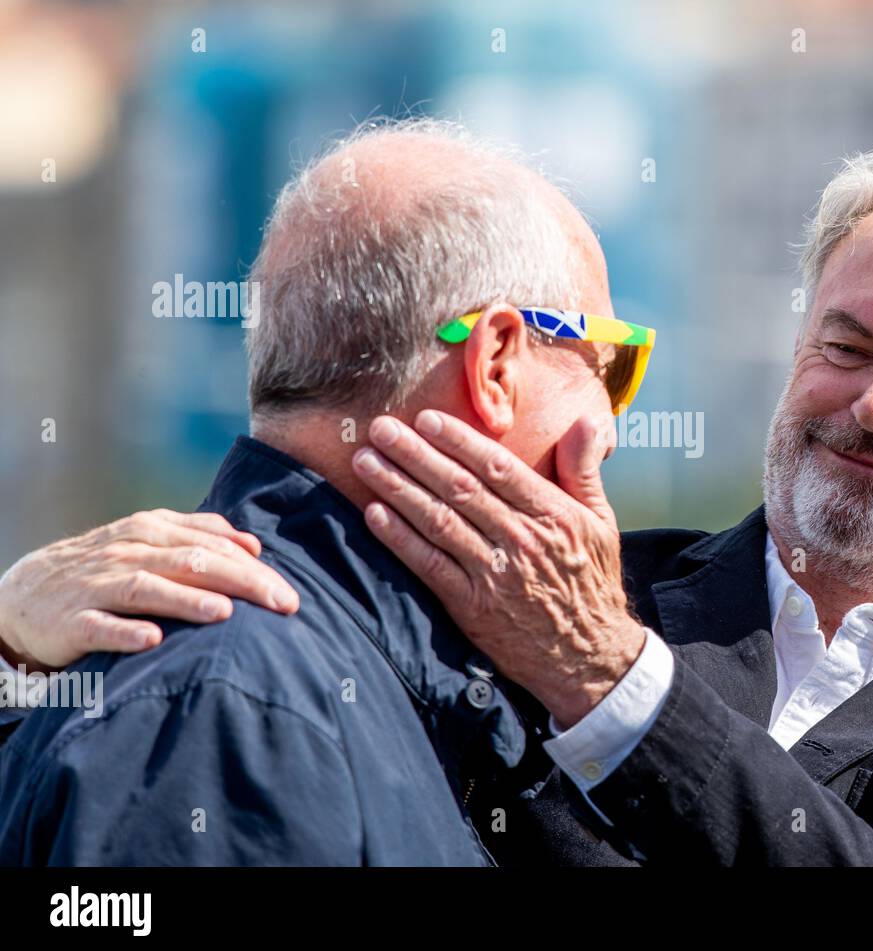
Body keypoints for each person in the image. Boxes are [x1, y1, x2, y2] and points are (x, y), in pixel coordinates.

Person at [2, 131, 873, 866]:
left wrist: (613, 684)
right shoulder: (499, 575)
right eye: (845, 342)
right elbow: (168, 743)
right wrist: (13, 652)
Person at [0, 117, 651, 864]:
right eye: (611, 369)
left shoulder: (300, 679)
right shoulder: (235, 709)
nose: (610, 426)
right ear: (496, 363)